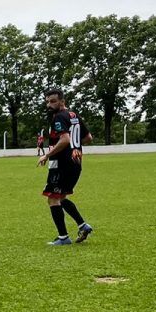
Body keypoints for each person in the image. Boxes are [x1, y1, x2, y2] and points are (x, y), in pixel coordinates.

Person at [38, 90, 94, 245]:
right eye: (48, 102)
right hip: (76, 164)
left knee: (52, 198)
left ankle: (63, 237)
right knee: (60, 198)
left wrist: (46, 155)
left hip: (61, 165)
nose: (49, 105)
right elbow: (88, 138)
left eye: (53, 101)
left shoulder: (59, 117)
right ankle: (83, 225)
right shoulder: (73, 115)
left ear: (62, 101)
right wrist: (74, 147)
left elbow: (64, 140)